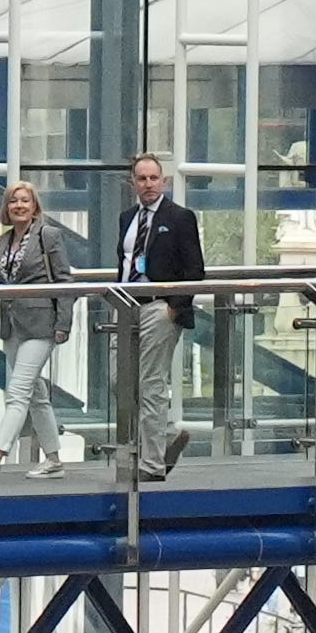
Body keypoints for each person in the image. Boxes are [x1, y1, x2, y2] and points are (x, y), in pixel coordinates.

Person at [0, 175, 83, 478]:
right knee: (37, 395)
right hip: (12, 326)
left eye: (25, 200)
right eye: (13, 200)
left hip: (42, 325)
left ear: (35, 206)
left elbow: (65, 281)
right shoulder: (2, 242)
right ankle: (53, 460)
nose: (19, 205)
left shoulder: (47, 236)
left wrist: (63, 323)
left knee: (19, 391)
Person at [118, 150, 207, 478]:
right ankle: (164, 440)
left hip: (160, 307)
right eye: (142, 179)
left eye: (154, 178)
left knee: (151, 383)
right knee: (121, 381)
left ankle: (151, 465)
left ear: (164, 181)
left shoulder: (180, 217)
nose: (148, 184)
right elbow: (125, 263)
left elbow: (195, 269)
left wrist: (174, 307)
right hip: (129, 306)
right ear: (133, 183)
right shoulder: (127, 217)